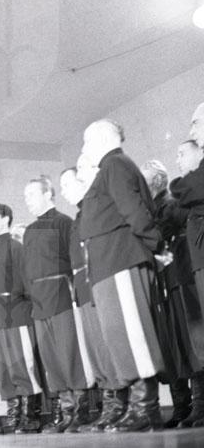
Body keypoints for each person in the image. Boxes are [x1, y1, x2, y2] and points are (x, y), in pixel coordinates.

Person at [80, 119, 166, 431]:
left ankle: (145, 409)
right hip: (110, 265)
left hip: (120, 260)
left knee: (134, 335)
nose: (84, 148)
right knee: (121, 339)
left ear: (104, 138)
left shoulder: (115, 164)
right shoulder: (109, 168)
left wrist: (156, 245)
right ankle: (137, 407)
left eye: (87, 141)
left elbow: (134, 210)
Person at [60, 162, 127, 433]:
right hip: (82, 287)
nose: (64, 191)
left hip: (97, 281)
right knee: (95, 349)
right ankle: (108, 402)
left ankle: (118, 404)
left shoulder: (95, 209)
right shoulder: (78, 218)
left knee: (108, 345)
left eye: (67, 184)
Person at [22, 176, 91, 433]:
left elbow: (74, 259)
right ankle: (66, 410)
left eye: (31, 194)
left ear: (47, 194)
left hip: (61, 294)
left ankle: (81, 412)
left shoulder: (64, 222)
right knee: (51, 359)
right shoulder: (29, 230)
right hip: (39, 302)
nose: (27, 200)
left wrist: (73, 292)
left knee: (70, 353)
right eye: (25, 196)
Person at [142, 158, 204, 428]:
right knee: (173, 343)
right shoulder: (153, 208)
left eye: (144, 180)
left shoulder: (172, 204)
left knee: (191, 342)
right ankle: (182, 405)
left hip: (181, 278)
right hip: (166, 282)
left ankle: (198, 404)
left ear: (156, 181)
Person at [0, 203, 44, 435]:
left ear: (6, 219)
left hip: (17, 315)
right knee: (4, 369)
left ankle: (29, 417)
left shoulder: (18, 249)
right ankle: (13, 416)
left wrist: (27, 310)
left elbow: (29, 284)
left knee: (22, 365)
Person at [169, 132, 204, 428]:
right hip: (188, 269)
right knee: (195, 342)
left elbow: (180, 190)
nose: (178, 159)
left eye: (182, 153)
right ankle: (199, 404)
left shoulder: (191, 185)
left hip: (196, 266)